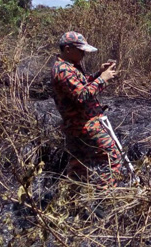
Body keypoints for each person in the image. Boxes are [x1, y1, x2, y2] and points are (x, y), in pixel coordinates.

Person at [51, 31, 121, 187]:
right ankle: (105, 199)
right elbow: (81, 95)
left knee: (78, 168)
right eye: (80, 50)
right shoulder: (63, 70)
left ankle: (74, 203)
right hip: (83, 125)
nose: (83, 54)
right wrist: (103, 80)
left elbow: (80, 85)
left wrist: (98, 74)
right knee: (113, 158)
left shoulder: (69, 66)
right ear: (68, 49)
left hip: (76, 126)